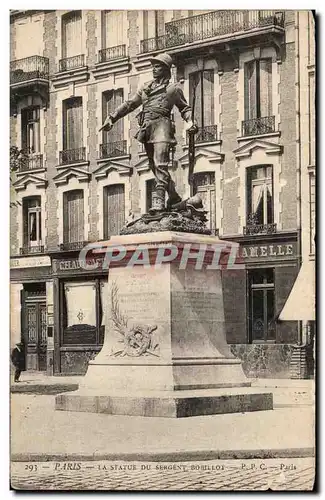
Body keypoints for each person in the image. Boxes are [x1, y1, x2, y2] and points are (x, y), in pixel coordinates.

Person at [99, 52, 197, 212]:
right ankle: (173, 197)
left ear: (165, 69)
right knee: (153, 165)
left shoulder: (172, 89)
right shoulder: (145, 88)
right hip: (147, 128)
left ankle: (158, 200)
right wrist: (112, 117)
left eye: (157, 66)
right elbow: (130, 104)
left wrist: (191, 122)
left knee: (160, 164)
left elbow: (184, 108)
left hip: (163, 128)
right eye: (153, 66)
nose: (154, 69)